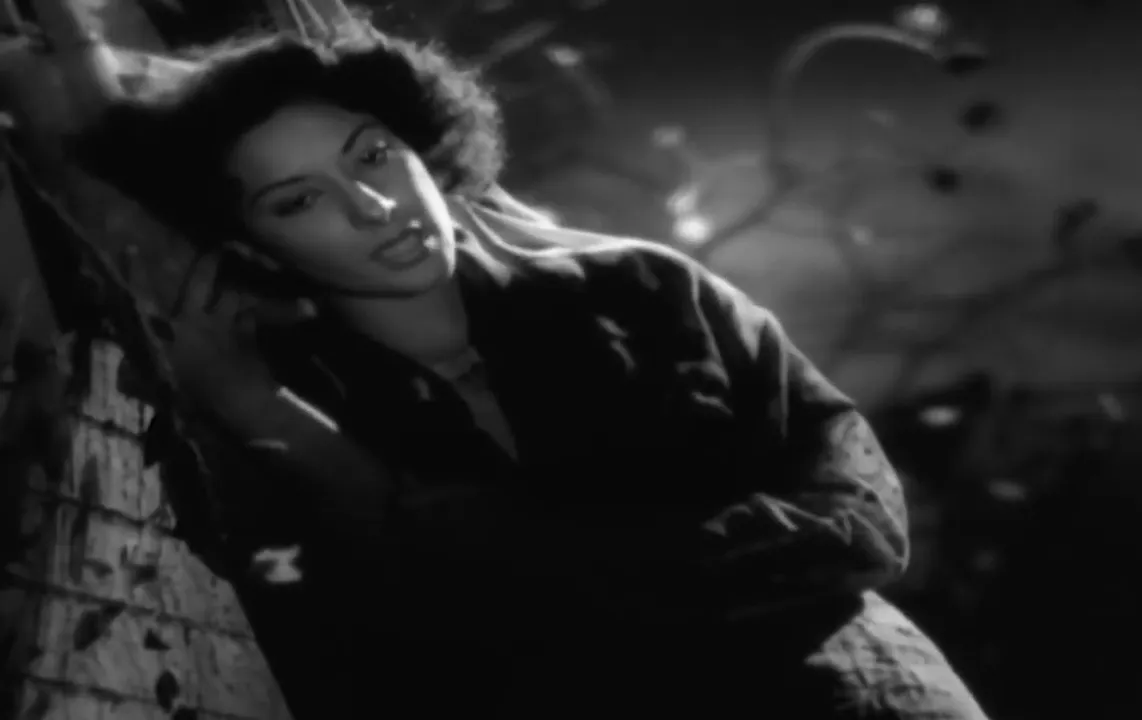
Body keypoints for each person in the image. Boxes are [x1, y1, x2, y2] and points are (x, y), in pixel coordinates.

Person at [74, 26, 989, 720]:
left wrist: (564, 572)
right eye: (300, 199)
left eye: (374, 155)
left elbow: (858, 514)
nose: (374, 206)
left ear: (418, 143)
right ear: (248, 243)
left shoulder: (640, 289)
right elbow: (375, 639)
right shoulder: (296, 406)